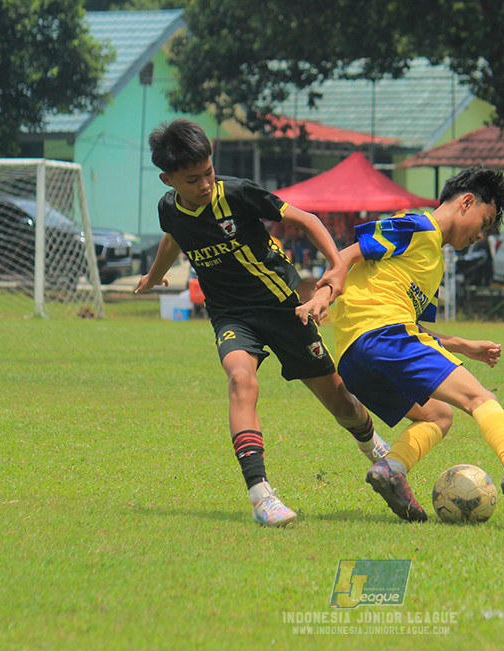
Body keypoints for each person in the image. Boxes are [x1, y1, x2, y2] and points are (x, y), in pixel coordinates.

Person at [134, 118, 389, 528]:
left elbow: (306, 219)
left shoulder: (237, 193)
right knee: (240, 380)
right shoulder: (169, 208)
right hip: (230, 314)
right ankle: (261, 496)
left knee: (340, 401)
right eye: (192, 179)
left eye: (208, 173)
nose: (203, 184)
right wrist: (153, 274)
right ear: (168, 179)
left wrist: (337, 267)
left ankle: (373, 445)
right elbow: (174, 236)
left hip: (284, 308)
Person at [296, 167, 504, 523]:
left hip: (355, 357)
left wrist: (462, 345)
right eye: (485, 221)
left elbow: (413, 327)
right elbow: (348, 256)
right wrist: (324, 294)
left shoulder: (433, 265)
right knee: (480, 399)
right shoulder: (417, 226)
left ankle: (392, 469)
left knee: (438, 416)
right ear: (467, 202)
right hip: (384, 337)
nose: (482, 234)